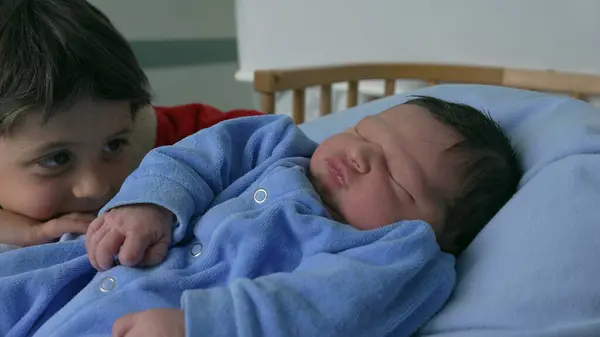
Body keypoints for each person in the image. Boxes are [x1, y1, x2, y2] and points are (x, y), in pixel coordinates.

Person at [0, 96, 521, 337]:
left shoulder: (398, 254)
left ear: (440, 232)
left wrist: (205, 327)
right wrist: (149, 203)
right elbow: (193, 156)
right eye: (364, 133)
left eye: (397, 177)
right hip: (79, 273)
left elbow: (324, 309)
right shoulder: (277, 145)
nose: (359, 156)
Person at [0, 0, 262, 250]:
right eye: (57, 159)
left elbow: (263, 135)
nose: (96, 187)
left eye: (113, 145)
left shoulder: (177, 140)